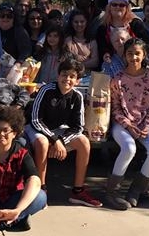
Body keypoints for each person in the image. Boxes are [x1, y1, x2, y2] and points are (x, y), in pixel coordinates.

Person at [27, 59, 102, 207]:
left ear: (78, 80)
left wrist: (59, 140)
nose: (67, 79)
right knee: (42, 143)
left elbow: (78, 127)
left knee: (84, 142)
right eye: (64, 74)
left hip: (58, 132)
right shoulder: (46, 90)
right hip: (37, 128)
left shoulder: (77, 96)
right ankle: (41, 191)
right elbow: (35, 120)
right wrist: (55, 140)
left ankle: (78, 191)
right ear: (58, 75)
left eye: (72, 76)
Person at [105, 38, 149, 210]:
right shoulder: (117, 79)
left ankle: (136, 190)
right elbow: (115, 108)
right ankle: (111, 192)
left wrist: (146, 126)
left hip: (145, 124)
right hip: (122, 124)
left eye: (137, 53)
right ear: (124, 56)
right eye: (130, 53)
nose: (134, 57)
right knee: (129, 148)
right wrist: (128, 125)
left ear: (144, 54)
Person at [96, 0, 149, 67]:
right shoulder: (103, 27)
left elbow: (147, 43)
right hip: (112, 64)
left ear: (127, 8)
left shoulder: (135, 23)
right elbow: (101, 46)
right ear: (109, 7)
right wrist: (106, 53)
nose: (118, 7)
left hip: (135, 63)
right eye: (114, 5)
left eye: (122, 5)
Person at [0, 3, 32, 78]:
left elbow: (26, 52)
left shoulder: (20, 32)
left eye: (9, 16)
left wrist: (18, 64)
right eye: (2, 16)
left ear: (14, 18)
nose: (5, 18)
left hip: (14, 74)